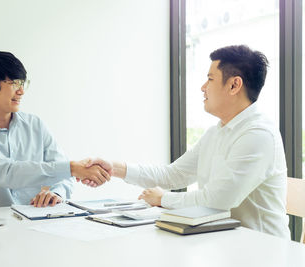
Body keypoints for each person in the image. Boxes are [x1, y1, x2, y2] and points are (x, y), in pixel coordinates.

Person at [83, 45, 290, 238]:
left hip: (262, 252)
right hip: (223, 243)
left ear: (234, 85)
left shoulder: (259, 135)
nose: (202, 87)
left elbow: (217, 200)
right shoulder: (216, 133)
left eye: (210, 79)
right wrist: (114, 169)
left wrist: (163, 198)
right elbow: (173, 174)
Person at [0, 51, 110, 209]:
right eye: (14, 84)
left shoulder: (35, 125)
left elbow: (62, 176)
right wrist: (72, 168)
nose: (21, 91)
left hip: (36, 223)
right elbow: (5, 172)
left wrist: (56, 194)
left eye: (23, 83)